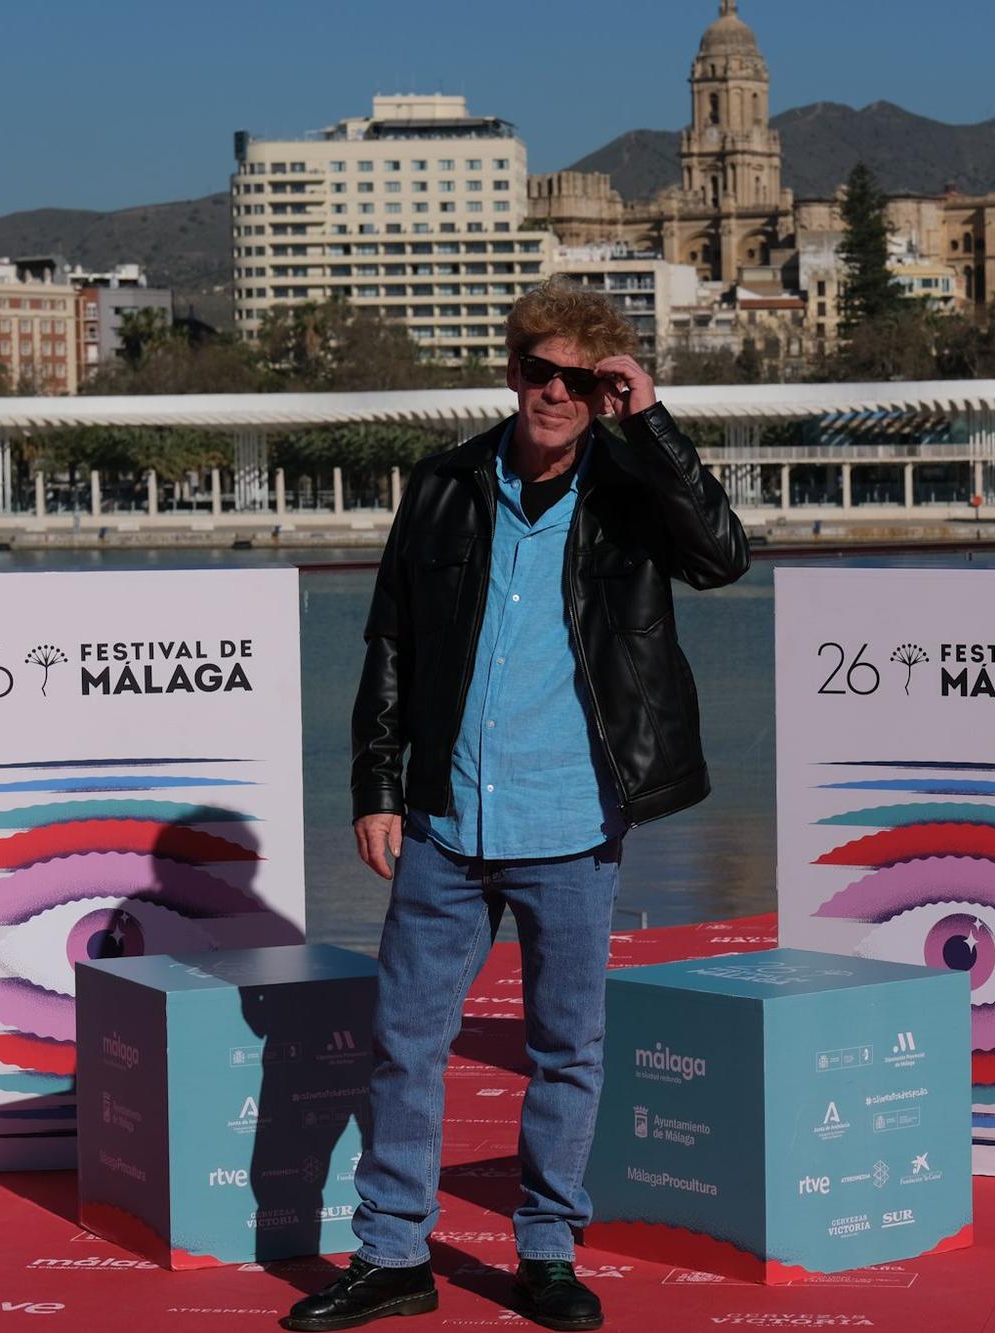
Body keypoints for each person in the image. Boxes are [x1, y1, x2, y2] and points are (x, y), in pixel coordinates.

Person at [284, 280, 750, 1333]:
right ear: (511, 371)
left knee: (567, 1047)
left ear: (604, 388)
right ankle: (393, 1254)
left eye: (578, 380)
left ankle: (545, 1249)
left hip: (575, 814)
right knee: (405, 1040)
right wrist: (377, 784)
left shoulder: (633, 485)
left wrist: (652, 422)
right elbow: (390, 638)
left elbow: (722, 556)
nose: (553, 392)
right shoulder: (445, 482)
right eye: (537, 371)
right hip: (446, 814)